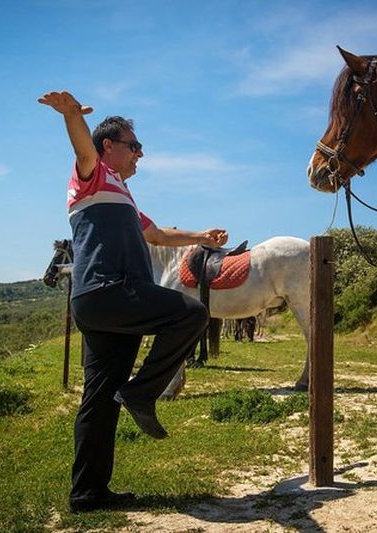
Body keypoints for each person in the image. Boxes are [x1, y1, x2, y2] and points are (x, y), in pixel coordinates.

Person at [38, 90, 228, 513]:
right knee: (192, 314)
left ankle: (88, 492)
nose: (140, 153)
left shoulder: (123, 195)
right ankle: (142, 394)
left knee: (99, 398)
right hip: (110, 290)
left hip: (99, 302)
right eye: (134, 145)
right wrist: (70, 115)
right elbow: (83, 147)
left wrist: (201, 236)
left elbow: (158, 235)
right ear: (110, 148)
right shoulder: (92, 173)